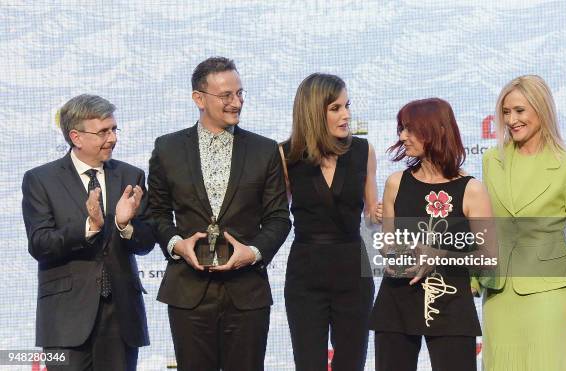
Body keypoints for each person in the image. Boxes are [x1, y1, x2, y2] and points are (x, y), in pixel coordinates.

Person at [148, 56, 291, 371]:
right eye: (226, 95)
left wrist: (252, 252)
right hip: (187, 291)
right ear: (199, 98)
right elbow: (156, 213)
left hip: (247, 292)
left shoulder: (264, 150)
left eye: (240, 94)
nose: (236, 102)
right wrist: (176, 244)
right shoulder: (167, 148)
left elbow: (280, 218)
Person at [21, 94, 155, 371]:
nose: (112, 138)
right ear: (76, 137)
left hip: (121, 316)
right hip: (65, 316)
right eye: (103, 132)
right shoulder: (40, 180)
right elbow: (40, 243)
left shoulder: (132, 176)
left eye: (114, 129)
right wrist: (89, 227)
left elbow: (146, 242)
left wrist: (124, 225)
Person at [479, 75, 566, 371]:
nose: (511, 120)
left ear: (541, 109)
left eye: (519, 111)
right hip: (498, 291)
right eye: (506, 113)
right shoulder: (492, 160)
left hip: (550, 292)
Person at [369, 98, 495, 371]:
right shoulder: (395, 182)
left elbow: (489, 257)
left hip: (451, 305)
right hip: (396, 303)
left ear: (434, 131)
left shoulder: (472, 189)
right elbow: (386, 244)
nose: (402, 136)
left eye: (410, 129)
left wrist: (441, 255)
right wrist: (394, 253)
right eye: (401, 128)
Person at [280, 73, 382, 371]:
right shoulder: (286, 155)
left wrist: (380, 215)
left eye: (347, 105)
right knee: (308, 363)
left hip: (352, 272)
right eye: (336, 108)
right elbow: (275, 216)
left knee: (351, 363)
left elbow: (370, 214)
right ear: (314, 111)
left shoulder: (363, 151)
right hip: (305, 275)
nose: (346, 114)